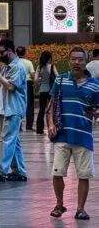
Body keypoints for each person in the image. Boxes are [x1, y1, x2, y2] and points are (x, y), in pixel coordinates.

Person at [47, 47, 99, 221]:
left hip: (83, 136)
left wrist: (95, 113)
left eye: (80, 59)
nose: (77, 62)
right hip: (62, 134)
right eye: (74, 59)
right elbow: (51, 105)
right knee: (57, 172)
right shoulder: (60, 80)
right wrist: (51, 124)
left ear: (86, 62)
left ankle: (80, 209)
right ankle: (59, 204)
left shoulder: (94, 84)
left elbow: (97, 109)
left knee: (83, 174)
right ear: (69, 61)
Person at [0, 39, 28, 182]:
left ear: (10, 50)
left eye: (1, 52)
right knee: (14, 141)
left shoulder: (18, 67)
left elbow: (11, 86)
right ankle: (19, 171)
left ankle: (0, 169)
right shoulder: (6, 67)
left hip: (14, 108)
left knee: (7, 139)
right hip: (5, 108)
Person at [34, 51, 57, 135]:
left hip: (42, 90)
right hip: (51, 90)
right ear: (49, 58)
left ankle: (39, 129)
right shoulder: (52, 66)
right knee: (53, 109)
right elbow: (57, 77)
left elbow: (35, 80)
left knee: (41, 110)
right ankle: (54, 126)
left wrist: (41, 78)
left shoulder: (39, 67)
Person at [16, 46, 36, 131]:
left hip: (17, 84)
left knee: (18, 104)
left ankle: (19, 126)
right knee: (29, 105)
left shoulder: (14, 62)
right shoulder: (28, 62)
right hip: (28, 84)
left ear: (16, 53)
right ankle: (29, 126)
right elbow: (32, 75)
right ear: (25, 53)